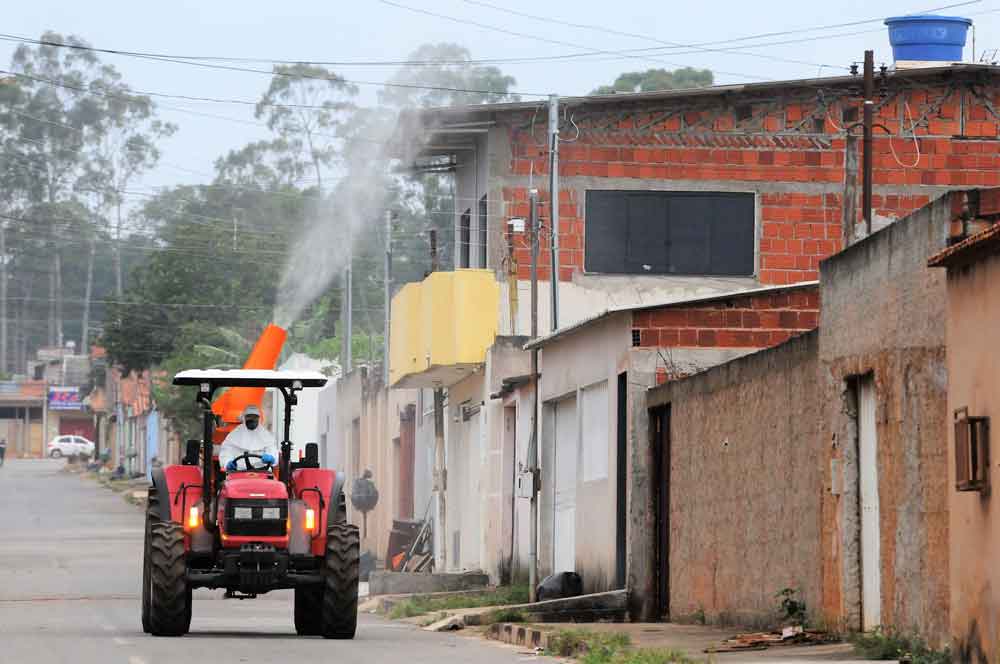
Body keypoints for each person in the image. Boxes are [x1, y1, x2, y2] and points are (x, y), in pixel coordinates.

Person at [219, 405, 277, 472]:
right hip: (238, 472)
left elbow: (273, 452)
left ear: (259, 418)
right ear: (244, 418)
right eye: (249, 416)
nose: (252, 419)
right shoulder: (234, 435)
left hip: (263, 472)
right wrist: (227, 463)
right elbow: (226, 452)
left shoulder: (266, 436)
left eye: (255, 417)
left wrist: (271, 458)